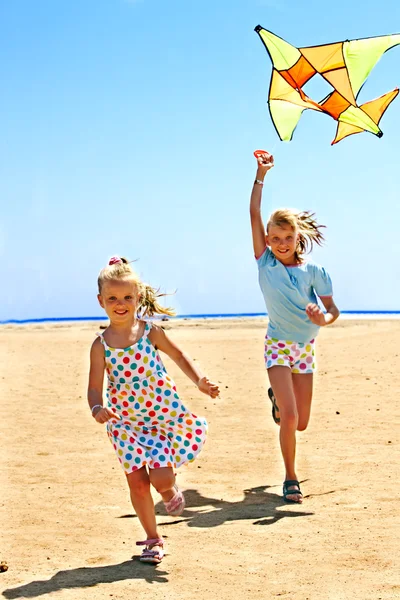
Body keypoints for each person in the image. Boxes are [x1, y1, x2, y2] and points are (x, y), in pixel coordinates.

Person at [88, 256, 219, 563]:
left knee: (160, 479)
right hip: (124, 423)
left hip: (160, 419)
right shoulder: (100, 345)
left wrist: (199, 380)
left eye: (127, 298)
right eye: (113, 299)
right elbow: (95, 386)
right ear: (101, 301)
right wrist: (97, 407)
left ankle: (170, 492)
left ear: (138, 297)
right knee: (136, 481)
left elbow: (179, 355)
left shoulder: (151, 333)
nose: (121, 304)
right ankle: (153, 539)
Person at [250, 151, 339, 503]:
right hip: (278, 346)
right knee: (289, 416)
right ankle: (290, 478)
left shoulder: (315, 272)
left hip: (305, 349)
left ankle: (277, 401)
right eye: (274, 238)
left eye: (286, 237)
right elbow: (253, 213)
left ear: (297, 236)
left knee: (300, 422)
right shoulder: (264, 261)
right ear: (268, 240)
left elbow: (332, 309)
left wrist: (324, 319)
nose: (280, 244)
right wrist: (261, 175)